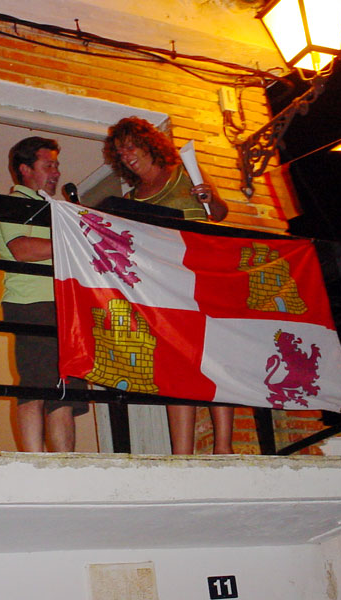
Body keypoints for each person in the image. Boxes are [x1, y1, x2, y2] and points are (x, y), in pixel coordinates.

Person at [102, 117, 233, 455]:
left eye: (130, 146)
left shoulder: (184, 172)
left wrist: (210, 198)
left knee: (214, 355)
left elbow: (219, 213)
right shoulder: (132, 196)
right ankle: (183, 453)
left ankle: (223, 446)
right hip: (164, 284)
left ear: (149, 143)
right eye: (120, 152)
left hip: (202, 273)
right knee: (176, 363)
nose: (126, 156)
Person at [0, 136, 88, 452]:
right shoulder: (12, 203)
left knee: (61, 387)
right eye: (48, 165)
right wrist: (74, 241)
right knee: (41, 384)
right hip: (32, 302)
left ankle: (58, 464)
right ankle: (41, 463)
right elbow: (21, 249)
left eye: (57, 165)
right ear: (25, 169)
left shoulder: (55, 209)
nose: (56, 172)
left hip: (63, 304)